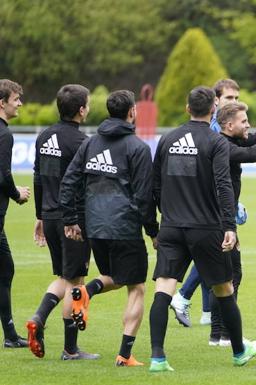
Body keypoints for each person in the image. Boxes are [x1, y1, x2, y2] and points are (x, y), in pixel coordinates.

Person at [148, 86, 256, 371]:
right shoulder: (216, 141)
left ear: (187, 108)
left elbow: (155, 184)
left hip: (171, 227)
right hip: (206, 228)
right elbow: (224, 185)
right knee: (224, 289)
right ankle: (238, 352)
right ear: (213, 109)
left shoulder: (167, 139)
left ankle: (158, 358)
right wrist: (229, 226)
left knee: (163, 290)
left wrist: (160, 220)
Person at [59, 90, 159, 367]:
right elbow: (143, 196)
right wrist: (153, 231)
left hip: (95, 227)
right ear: (131, 113)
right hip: (125, 227)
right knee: (137, 286)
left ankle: (87, 291)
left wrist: (70, 219)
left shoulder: (90, 144)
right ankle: (124, 355)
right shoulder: (137, 148)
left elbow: (69, 182)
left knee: (114, 276)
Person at [26, 84, 100, 360]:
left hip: (50, 215)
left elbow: (37, 177)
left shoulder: (44, 136)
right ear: (82, 110)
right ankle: (70, 349)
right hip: (73, 220)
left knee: (64, 277)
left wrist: (39, 216)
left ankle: (39, 317)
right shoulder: (82, 143)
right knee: (75, 283)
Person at [207, 101, 256, 346]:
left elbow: (253, 140)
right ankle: (226, 335)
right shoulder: (223, 145)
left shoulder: (230, 139)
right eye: (244, 121)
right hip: (219, 221)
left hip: (217, 218)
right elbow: (254, 154)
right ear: (229, 125)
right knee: (231, 275)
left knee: (222, 276)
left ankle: (217, 335)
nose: (248, 124)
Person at [170, 78, 242, 327]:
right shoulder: (213, 130)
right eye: (229, 98)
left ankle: (207, 312)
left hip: (214, 204)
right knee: (212, 256)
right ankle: (183, 296)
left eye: (237, 97)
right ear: (216, 102)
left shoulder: (228, 124)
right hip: (208, 207)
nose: (235, 102)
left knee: (209, 258)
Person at [0, 79, 30, 349]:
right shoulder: (4, 135)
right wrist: (16, 193)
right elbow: (3, 174)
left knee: (5, 268)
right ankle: (9, 335)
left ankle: (10, 335)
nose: (19, 103)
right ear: (2, 103)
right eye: (15, 99)